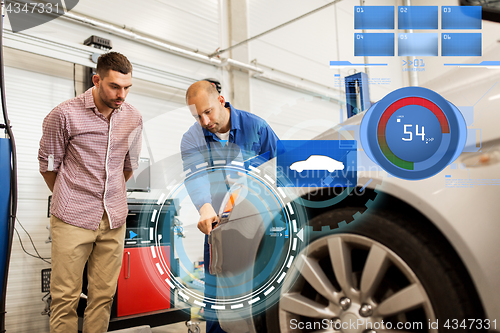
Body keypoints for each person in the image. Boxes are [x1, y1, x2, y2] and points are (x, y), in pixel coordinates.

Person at [38, 52, 142, 333]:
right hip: (72, 219)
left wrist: (109, 196)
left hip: (114, 220)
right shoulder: (64, 114)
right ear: (96, 80)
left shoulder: (133, 118)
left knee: (103, 297)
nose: (122, 95)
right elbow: (48, 166)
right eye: (114, 87)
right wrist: (72, 197)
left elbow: (128, 167)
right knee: (65, 299)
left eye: (127, 87)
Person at [180, 80, 279, 333]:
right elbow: (195, 176)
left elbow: (282, 167)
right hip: (219, 228)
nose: (204, 121)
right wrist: (204, 207)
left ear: (221, 102)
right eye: (197, 115)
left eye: (208, 112)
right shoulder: (192, 138)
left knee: (264, 290)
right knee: (217, 297)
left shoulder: (256, 127)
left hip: (261, 223)